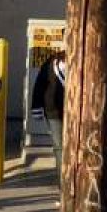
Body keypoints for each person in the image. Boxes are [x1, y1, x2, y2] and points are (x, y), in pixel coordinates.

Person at [31, 50, 66, 194]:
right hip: (53, 111)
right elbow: (40, 84)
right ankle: (63, 185)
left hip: (76, 112)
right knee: (59, 148)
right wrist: (36, 107)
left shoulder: (84, 57)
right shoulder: (53, 61)